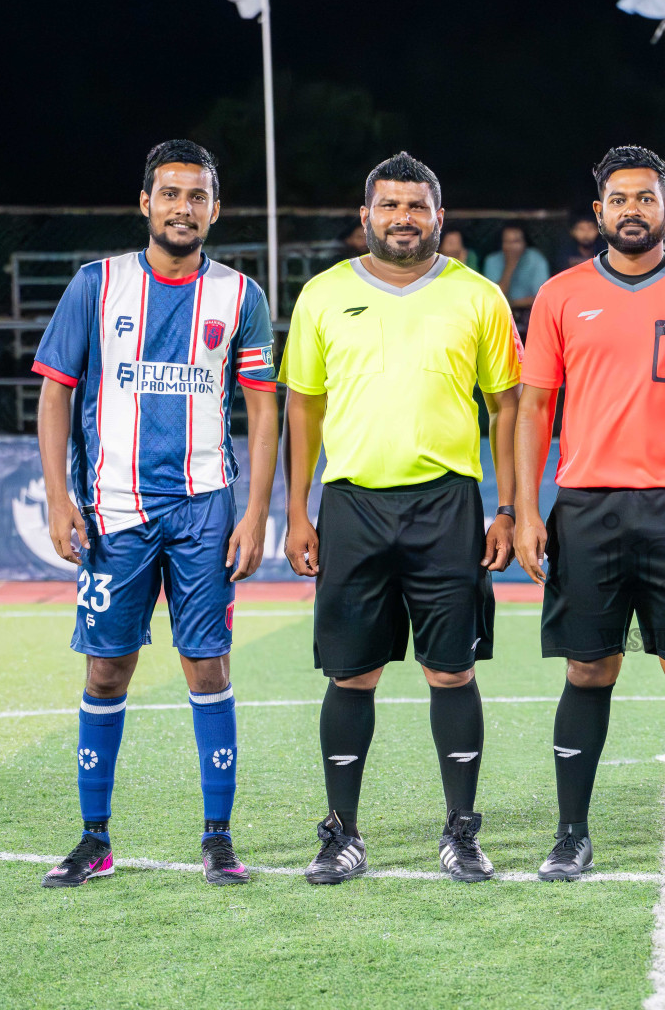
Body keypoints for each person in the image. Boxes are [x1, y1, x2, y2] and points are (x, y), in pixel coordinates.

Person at [33, 139, 279, 888]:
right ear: (145, 203)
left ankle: (217, 837)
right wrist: (56, 496)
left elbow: (264, 411)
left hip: (207, 509)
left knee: (207, 665)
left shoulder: (240, 296)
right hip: (113, 511)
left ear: (214, 208)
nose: (183, 207)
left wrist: (257, 509)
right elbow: (55, 392)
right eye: (170, 194)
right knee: (107, 670)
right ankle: (94, 837)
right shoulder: (95, 286)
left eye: (197, 196)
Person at [515, 145, 665, 883]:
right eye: (618, 199)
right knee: (589, 669)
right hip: (587, 507)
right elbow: (534, 408)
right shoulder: (559, 296)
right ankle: (570, 834)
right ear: (599, 213)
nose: (632, 210)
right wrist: (528, 509)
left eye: (646, 198)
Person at [280, 151, 523, 884]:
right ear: (365, 218)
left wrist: (508, 507)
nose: (403, 219)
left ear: (438, 218)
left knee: (450, 672)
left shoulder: (478, 295)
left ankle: (462, 831)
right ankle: (342, 833)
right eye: (389, 206)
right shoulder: (322, 296)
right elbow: (304, 406)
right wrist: (297, 510)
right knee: (351, 675)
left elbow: (506, 405)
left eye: (417, 207)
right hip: (353, 505)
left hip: (447, 503)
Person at [482, 222, 550, 318]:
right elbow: (493, 300)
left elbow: (542, 298)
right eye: (507, 242)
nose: (511, 247)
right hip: (500, 316)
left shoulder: (536, 259)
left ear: (524, 243)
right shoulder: (492, 260)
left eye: (516, 242)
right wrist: (510, 266)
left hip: (530, 315)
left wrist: (512, 303)